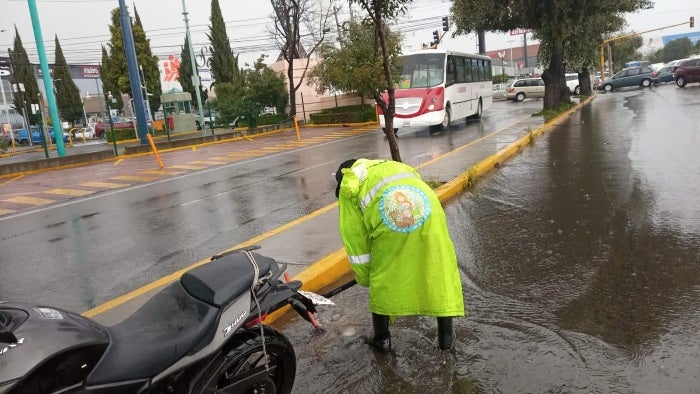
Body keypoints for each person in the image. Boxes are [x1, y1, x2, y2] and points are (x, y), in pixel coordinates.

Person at [334, 158, 464, 352]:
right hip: (430, 212)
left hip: (392, 220)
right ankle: (446, 340)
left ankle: (382, 339)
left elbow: (356, 240)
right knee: (439, 273)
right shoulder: (392, 166)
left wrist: (367, 276)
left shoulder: (349, 183)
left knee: (382, 280)